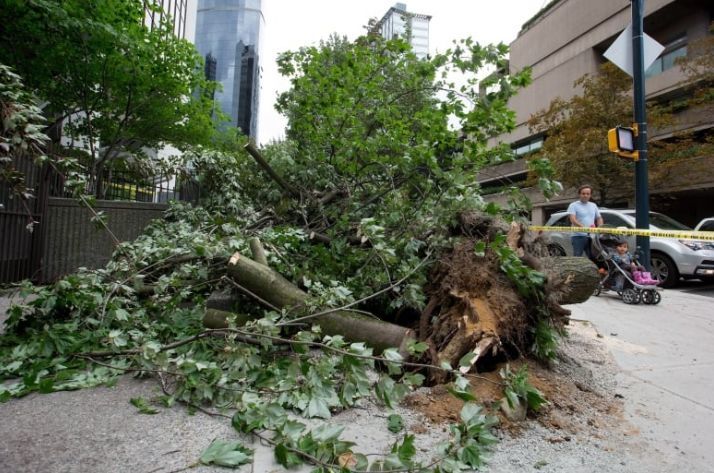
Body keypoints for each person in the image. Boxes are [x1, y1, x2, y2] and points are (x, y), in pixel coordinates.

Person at [567, 184, 603, 258]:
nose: (585, 195)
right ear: (579, 194)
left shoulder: (593, 205)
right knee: (577, 257)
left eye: (587, 194)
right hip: (578, 236)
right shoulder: (573, 205)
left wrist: (600, 228)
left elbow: (599, 218)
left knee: (593, 257)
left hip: (592, 236)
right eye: (583, 193)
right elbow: (573, 220)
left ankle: (593, 269)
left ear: (590, 195)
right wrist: (584, 228)